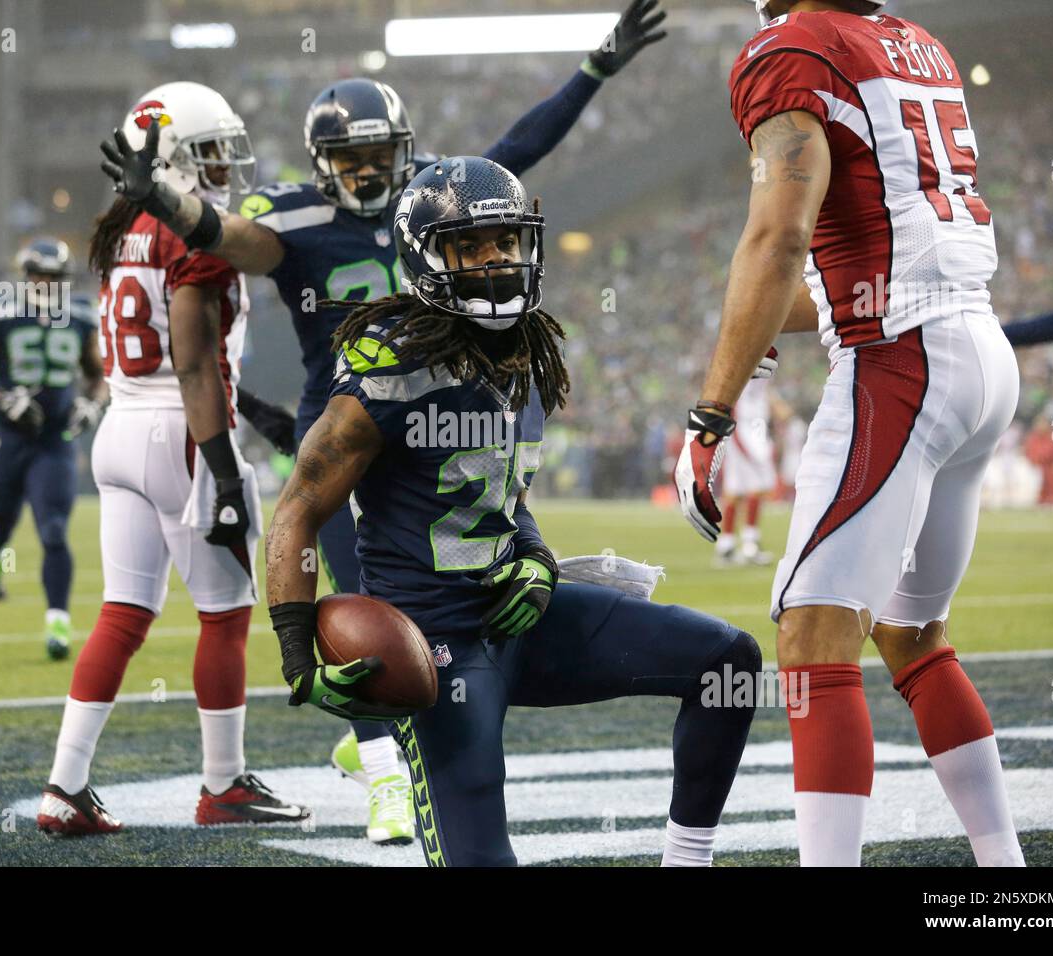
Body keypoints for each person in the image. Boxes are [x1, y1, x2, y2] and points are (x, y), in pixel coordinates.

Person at [101, 0, 670, 847]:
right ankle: (385, 779)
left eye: (380, 155)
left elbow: (517, 151)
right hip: (339, 435)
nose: (368, 172)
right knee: (359, 605)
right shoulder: (293, 218)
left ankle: (422, 741)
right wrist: (168, 206)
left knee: (447, 602)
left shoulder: (435, 196)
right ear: (320, 161)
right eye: (350, 157)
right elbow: (231, 239)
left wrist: (592, 71)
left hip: (438, 428)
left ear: (404, 152)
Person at [264, 158, 760, 867]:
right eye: (472, 246)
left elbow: (508, 493)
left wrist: (533, 556)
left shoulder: (523, 350)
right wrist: (294, 652)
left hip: (521, 616)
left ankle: (688, 861)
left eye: (508, 242)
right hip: (434, 648)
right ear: (427, 258)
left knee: (727, 663)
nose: (497, 261)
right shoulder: (392, 368)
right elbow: (297, 512)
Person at [673, 0, 1024, 865]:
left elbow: (781, 235)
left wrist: (709, 415)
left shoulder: (790, 47)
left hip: (901, 365)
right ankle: (1006, 875)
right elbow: (863, 261)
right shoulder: (918, 43)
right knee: (910, 637)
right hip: (980, 350)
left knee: (808, 638)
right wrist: (746, 340)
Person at [37, 82, 307, 835]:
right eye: (212, 152)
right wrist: (223, 471)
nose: (224, 166)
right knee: (225, 613)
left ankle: (64, 787)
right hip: (178, 434)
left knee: (122, 613)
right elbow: (192, 364)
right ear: (178, 158)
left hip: (121, 428)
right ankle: (223, 786)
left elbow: (179, 357)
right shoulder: (192, 234)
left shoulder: (119, 228)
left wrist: (246, 408)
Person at [0, 237, 105, 659]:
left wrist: (92, 403)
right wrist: (0, 396)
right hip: (8, 439)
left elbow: (100, 374)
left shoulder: (79, 318)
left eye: (54, 276)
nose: (46, 283)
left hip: (53, 442)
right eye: (40, 275)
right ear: (26, 276)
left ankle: (58, 621)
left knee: (54, 530)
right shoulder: (0, 315)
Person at [713, 377, 776, 567]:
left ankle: (727, 546)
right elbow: (735, 417)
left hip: (747, 443)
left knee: (736, 493)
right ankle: (750, 545)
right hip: (744, 445)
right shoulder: (746, 390)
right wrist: (751, 452)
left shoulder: (758, 393)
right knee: (754, 490)